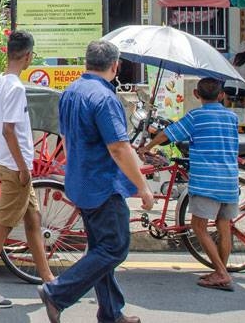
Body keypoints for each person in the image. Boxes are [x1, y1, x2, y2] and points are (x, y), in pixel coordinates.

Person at [37, 40, 154, 323]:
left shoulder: (70, 92)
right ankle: (57, 292)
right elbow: (119, 148)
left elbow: (65, 137)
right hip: (104, 185)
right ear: (115, 66)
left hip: (81, 181)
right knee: (114, 248)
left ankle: (111, 313)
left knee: (102, 249)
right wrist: (143, 186)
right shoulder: (104, 98)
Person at [0, 30, 55, 308]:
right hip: (15, 168)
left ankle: (50, 281)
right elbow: (8, 131)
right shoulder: (16, 87)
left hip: (11, 165)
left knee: (33, 222)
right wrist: (23, 167)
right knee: (2, 227)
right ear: (28, 56)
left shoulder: (4, 81)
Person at [138, 77, 240, 291]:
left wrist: (147, 147)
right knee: (224, 226)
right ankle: (219, 270)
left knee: (198, 226)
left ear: (196, 95)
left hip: (207, 181)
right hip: (229, 179)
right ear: (221, 95)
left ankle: (221, 273)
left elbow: (169, 134)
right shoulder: (231, 117)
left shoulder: (197, 116)